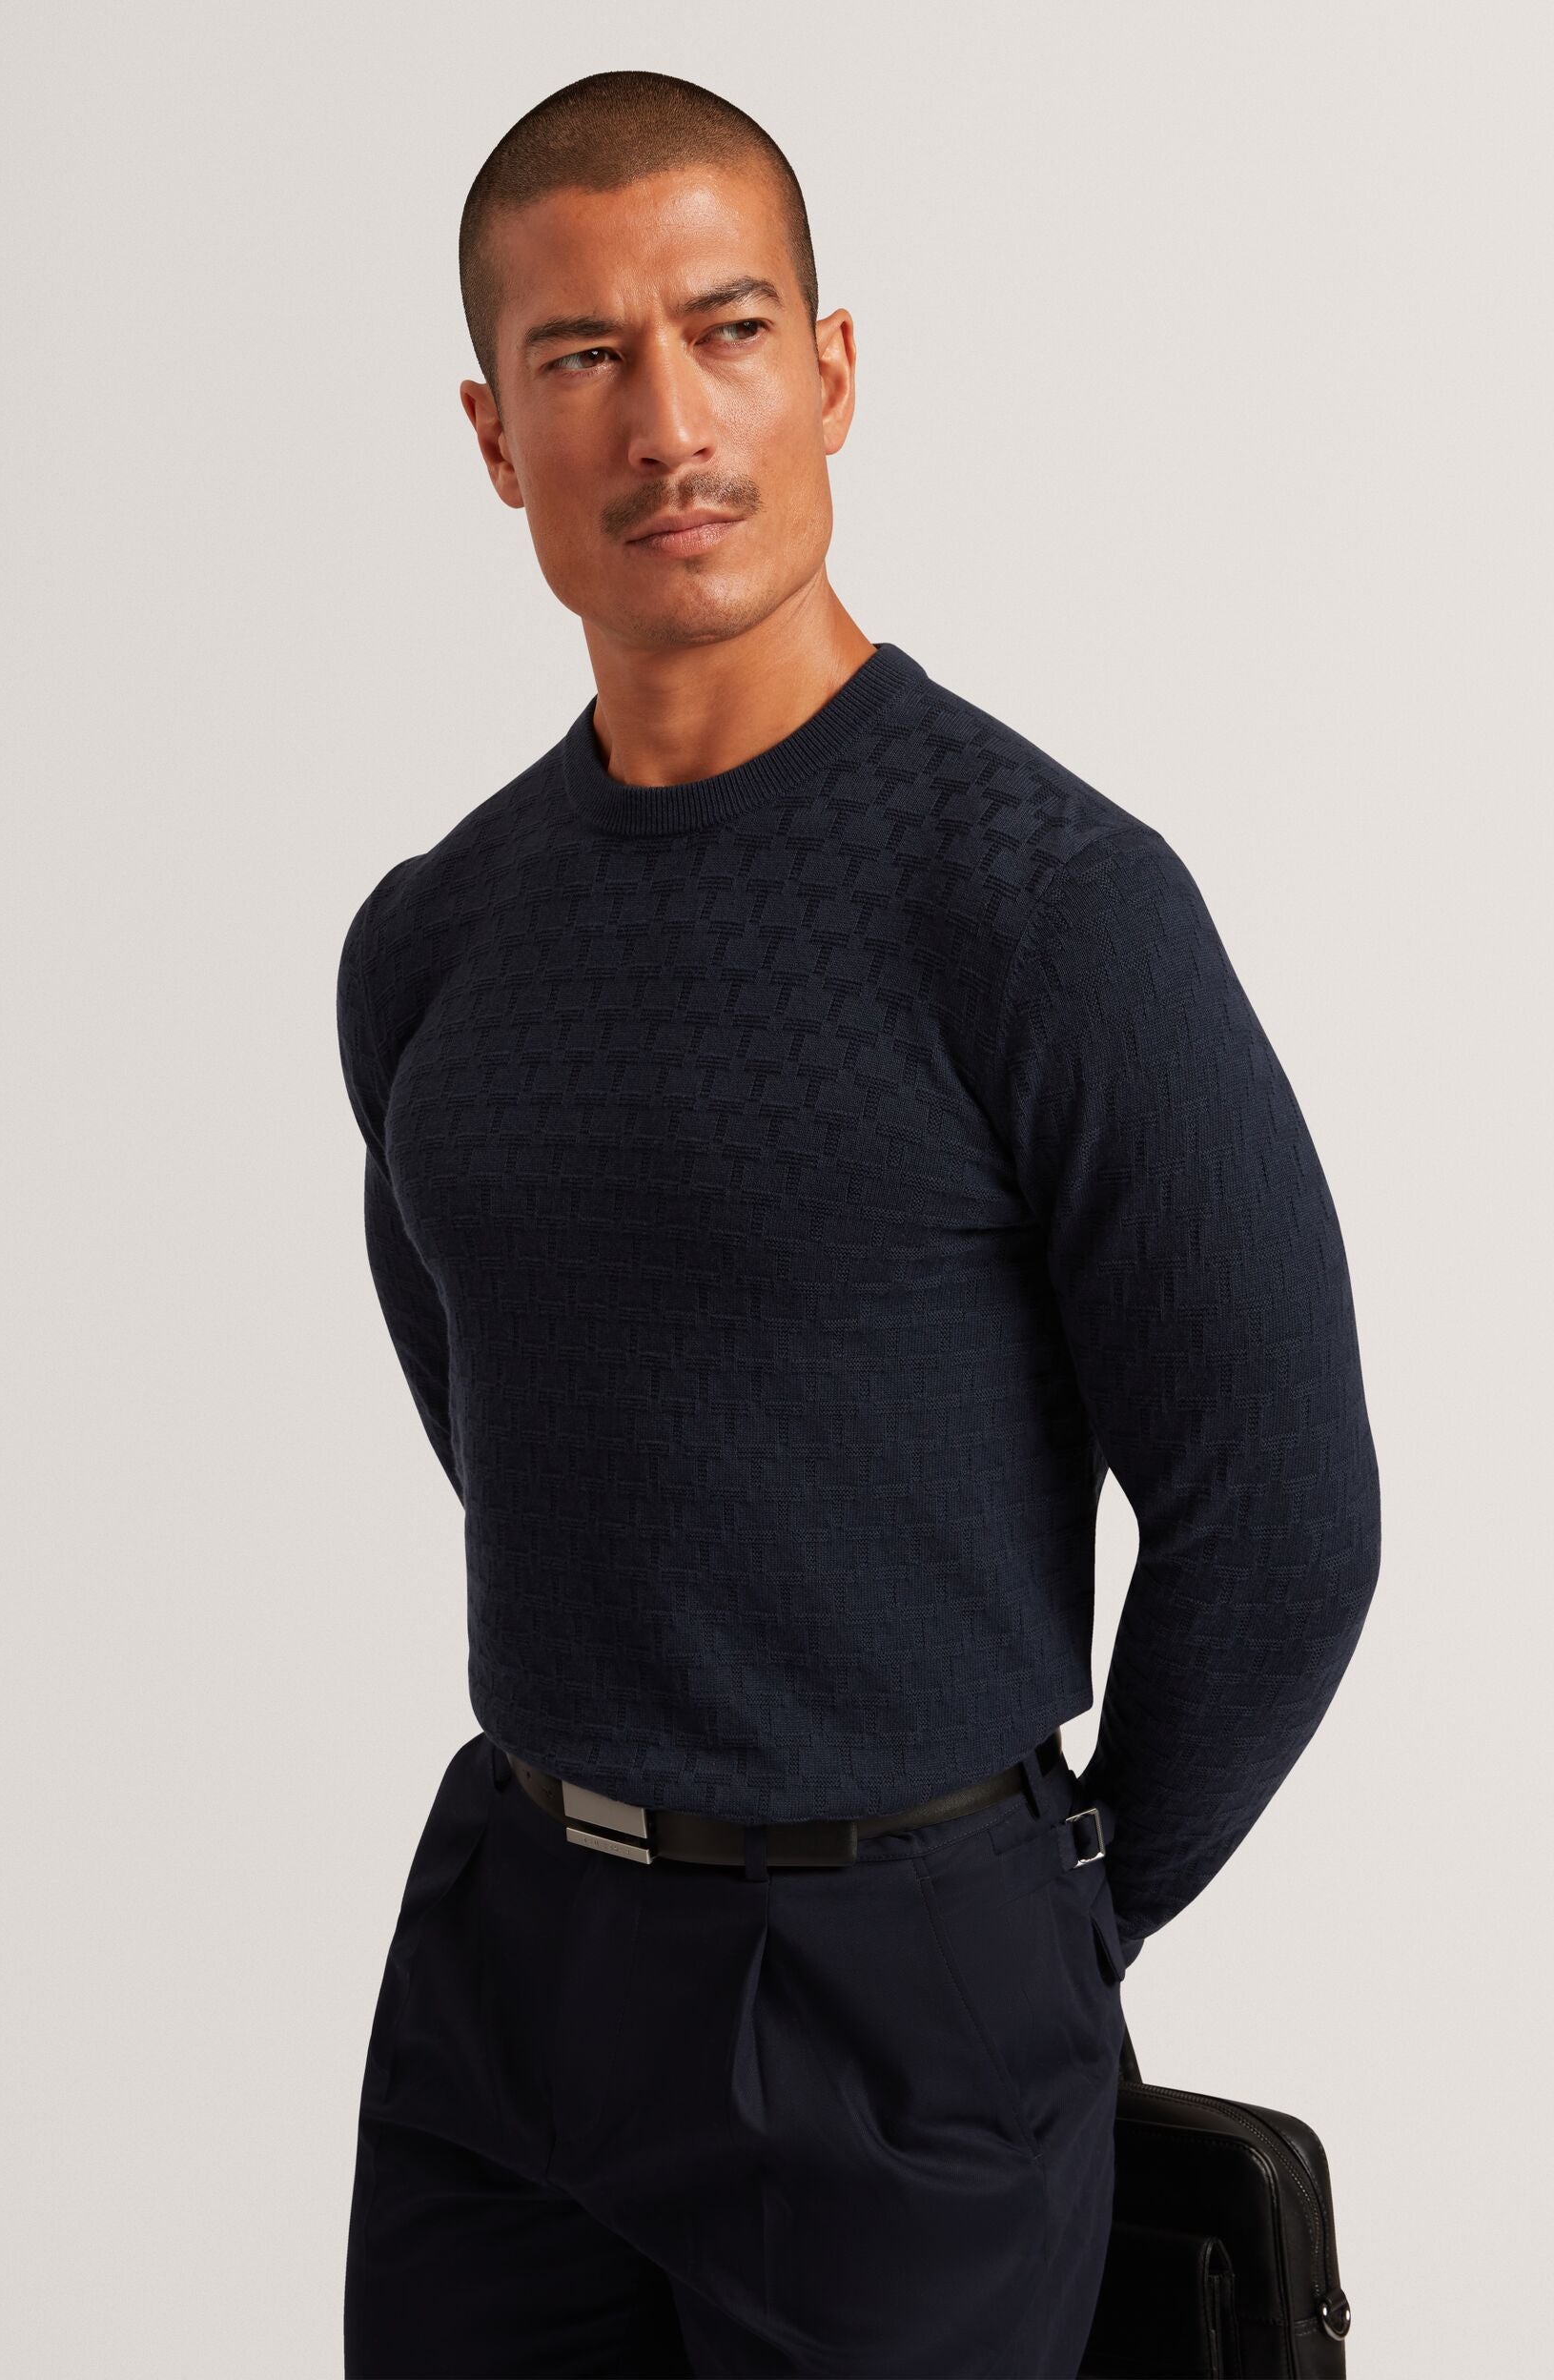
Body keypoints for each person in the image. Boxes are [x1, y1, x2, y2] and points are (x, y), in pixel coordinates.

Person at [337, 68, 1380, 2380]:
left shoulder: (1047, 910)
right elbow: (512, 1423)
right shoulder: (431, 942)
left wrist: (1047, 1923)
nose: (667, 423)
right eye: (583, 356)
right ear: (496, 434)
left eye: (726, 331)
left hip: (904, 1981)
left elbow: (1286, 1513)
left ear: (829, 370)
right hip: (506, 1957)